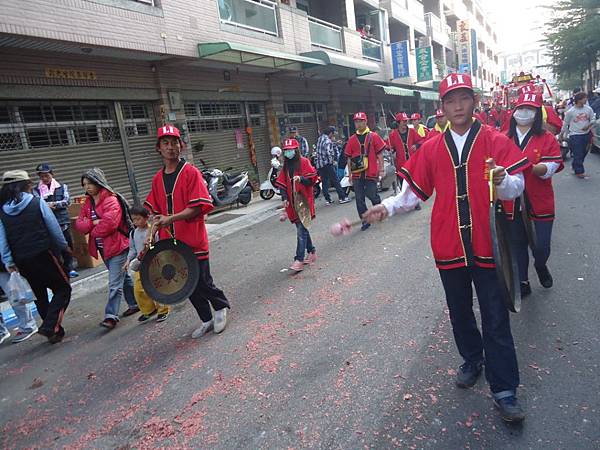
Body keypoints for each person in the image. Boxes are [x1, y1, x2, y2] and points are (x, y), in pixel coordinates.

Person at [363, 73, 530, 423]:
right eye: (450, 100)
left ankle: (505, 390)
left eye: (464, 98)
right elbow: (411, 196)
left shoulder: (493, 140)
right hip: (448, 244)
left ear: (474, 101)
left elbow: (516, 187)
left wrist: (502, 181)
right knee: (459, 312)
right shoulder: (432, 148)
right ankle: (472, 359)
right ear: (441, 108)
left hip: (487, 245)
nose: (458, 106)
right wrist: (387, 207)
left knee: (496, 318)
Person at [145, 125, 230, 338]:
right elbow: (156, 212)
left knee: (202, 281)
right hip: (170, 245)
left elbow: (197, 207)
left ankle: (220, 308)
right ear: (159, 148)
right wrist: (153, 229)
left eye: (175, 142)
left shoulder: (190, 172)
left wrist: (170, 218)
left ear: (181, 146)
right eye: (166, 143)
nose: (171, 147)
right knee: (185, 286)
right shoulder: (157, 178)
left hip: (193, 240)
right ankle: (206, 319)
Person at [0, 170, 72, 344]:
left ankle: (54, 331)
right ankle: (50, 326)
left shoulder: (2, 210)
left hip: (22, 261)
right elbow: (54, 228)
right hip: (44, 255)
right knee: (63, 289)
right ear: (26, 185)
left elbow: (2, 239)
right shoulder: (36, 202)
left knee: (39, 295)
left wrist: (8, 261)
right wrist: (64, 248)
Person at [504, 91, 563, 297]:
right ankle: (523, 280)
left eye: (529, 109)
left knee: (541, 246)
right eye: (520, 108)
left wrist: (535, 168)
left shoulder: (546, 137)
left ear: (537, 113)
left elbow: (553, 164)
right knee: (517, 244)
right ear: (514, 112)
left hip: (539, 199)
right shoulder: (504, 138)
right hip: (513, 202)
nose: (524, 112)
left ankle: (540, 265)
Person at [75, 168, 139, 330]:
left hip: (118, 246)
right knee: (123, 278)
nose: (87, 187)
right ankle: (134, 303)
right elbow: (79, 224)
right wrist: (92, 223)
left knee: (114, 283)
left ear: (98, 182)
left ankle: (111, 316)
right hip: (103, 248)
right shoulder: (88, 203)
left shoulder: (111, 200)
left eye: (90, 183)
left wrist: (93, 229)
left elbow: (110, 224)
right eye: (84, 184)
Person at [273, 138, 318, 272]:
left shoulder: (304, 162)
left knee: (301, 229)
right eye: (286, 151)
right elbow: (282, 184)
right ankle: (312, 252)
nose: (288, 153)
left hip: (304, 201)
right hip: (292, 203)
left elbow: (312, 179)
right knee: (303, 227)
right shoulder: (286, 166)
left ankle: (298, 259)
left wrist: (301, 179)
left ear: (296, 150)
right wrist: (284, 197)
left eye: (290, 150)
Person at [124, 206, 169, 323]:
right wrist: (128, 260)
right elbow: (132, 249)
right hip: (141, 264)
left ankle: (163, 310)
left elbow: (159, 246)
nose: (135, 222)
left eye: (138, 219)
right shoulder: (133, 233)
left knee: (157, 288)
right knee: (139, 290)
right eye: (133, 219)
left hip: (155, 264)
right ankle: (148, 310)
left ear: (147, 218)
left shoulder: (153, 231)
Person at [33, 163, 78, 278]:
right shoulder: (36, 190)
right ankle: (60, 270)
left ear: (52, 174)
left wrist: (53, 204)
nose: (44, 178)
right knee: (53, 248)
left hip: (62, 221)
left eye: (46, 176)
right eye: (42, 176)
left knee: (66, 245)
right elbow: (36, 204)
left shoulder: (62, 186)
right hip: (47, 223)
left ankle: (70, 267)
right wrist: (47, 206)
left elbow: (67, 201)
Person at [344, 112, 386, 231]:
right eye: (356, 121)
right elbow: (349, 157)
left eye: (361, 121)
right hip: (357, 174)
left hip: (371, 172)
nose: (359, 123)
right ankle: (365, 221)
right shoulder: (351, 139)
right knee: (359, 199)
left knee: (373, 195)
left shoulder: (373, 136)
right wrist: (350, 174)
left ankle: (380, 212)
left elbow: (380, 154)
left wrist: (381, 169)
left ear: (366, 121)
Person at [0, 259, 38, 343]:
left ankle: (28, 326)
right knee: (14, 295)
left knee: (15, 296)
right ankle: (27, 326)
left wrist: (9, 262)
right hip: (3, 265)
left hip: (3, 266)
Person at [560, 91, 595, 178]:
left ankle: (575, 165)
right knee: (578, 153)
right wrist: (561, 134)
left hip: (587, 134)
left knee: (584, 152)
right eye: (584, 98)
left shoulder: (588, 109)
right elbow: (565, 123)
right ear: (579, 100)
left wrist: (588, 126)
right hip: (575, 135)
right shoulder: (571, 112)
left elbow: (593, 119)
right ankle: (579, 172)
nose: (586, 100)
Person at [314, 127, 350, 205]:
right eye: (333, 134)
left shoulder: (321, 138)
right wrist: (332, 161)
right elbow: (328, 152)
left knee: (324, 182)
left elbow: (325, 146)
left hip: (320, 164)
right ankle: (342, 197)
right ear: (330, 133)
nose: (333, 135)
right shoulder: (327, 141)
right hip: (327, 164)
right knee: (335, 180)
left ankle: (328, 200)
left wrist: (335, 143)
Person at [388, 112, 418, 178]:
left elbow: (422, 141)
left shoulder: (412, 132)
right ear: (398, 123)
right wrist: (390, 149)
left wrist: (417, 145)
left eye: (406, 121)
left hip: (413, 165)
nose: (406, 123)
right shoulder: (393, 135)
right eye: (403, 121)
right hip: (401, 167)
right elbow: (388, 146)